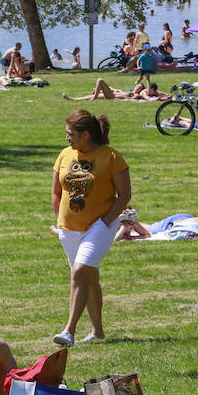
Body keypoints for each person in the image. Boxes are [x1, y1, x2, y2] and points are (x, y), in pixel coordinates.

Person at [50, 110, 131, 347]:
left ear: (85, 134)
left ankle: (69, 331)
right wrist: (59, 219)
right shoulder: (65, 155)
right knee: (89, 277)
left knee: (79, 272)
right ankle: (97, 331)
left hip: (99, 226)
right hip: (68, 228)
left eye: (70, 134)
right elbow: (56, 192)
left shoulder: (112, 157)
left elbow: (124, 195)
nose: (67, 139)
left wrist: (105, 222)